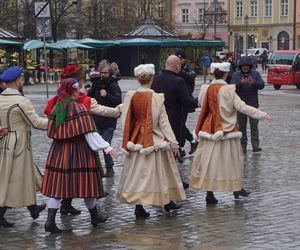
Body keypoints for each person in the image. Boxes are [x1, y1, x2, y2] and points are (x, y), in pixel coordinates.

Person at [41, 78, 118, 233]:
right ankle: (95, 217)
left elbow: (52, 131)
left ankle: (50, 221)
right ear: (73, 91)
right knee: (87, 185)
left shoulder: (58, 109)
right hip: (79, 152)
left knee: (58, 188)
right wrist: (107, 147)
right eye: (77, 90)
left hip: (59, 153)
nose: (79, 92)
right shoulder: (79, 108)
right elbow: (90, 134)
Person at [190, 62, 272, 204]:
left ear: (212, 73)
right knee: (234, 161)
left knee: (210, 161)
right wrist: (261, 114)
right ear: (226, 74)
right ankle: (236, 188)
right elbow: (242, 107)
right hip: (228, 131)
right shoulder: (228, 90)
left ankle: (210, 193)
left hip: (209, 130)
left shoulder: (205, 89)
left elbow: (200, 105)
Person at [117, 64, 186, 218]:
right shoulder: (157, 98)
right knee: (162, 171)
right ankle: (167, 202)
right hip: (154, 139)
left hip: (137, 139)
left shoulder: (131, 95)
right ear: (152, 78)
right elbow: (164, 122)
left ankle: (139, 206)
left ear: (137, 78)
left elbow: (126, 119)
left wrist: (130, 136)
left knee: (137, 173)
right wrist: (173, 142)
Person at [0, 66, 48, 228]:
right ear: (17, 81)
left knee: (28, 174)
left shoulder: (1, 98)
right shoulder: (21, 101)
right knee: (13, 179)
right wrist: (56, 122)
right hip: (19, 144)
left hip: (5, 142)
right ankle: (0, 214)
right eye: (21, 79)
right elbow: (36, 123)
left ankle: (33, 208)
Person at [152, 55, 198, 189]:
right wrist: (199, 101)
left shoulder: (155, 79)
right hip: (174, 121)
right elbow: (186, 101)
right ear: (177, 66)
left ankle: (172, 180)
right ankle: (173, 182)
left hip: (157, 121)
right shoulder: (178, 81)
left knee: (161, 152)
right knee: (172, 153)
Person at [88, 60, 122, 177]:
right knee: (94, 144)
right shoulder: (96, 84)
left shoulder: (113, 85)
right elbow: (89, 98)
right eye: (101, 72)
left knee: (105, 145)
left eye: (105, 73)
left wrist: (107, 95)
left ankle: (109, 168)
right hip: (96, 120)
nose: (103, 75)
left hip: (109, 121)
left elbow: (118, 102)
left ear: (109, 73)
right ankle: (96, 168)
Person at [230, 56, 265, 153]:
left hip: (253, 104)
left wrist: (253, 82)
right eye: (243, 66)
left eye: (247, 65)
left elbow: (261, 85)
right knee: (241, 126)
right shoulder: (236, 75)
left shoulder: (255, 74)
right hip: (240, 105)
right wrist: (241, 83)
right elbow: (231, 87)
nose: (245, 67)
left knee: (254, 125)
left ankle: (255, 145)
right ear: (240, 66)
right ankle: (243, 145)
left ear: (250, 66)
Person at [175, 50, 199, 159]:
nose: (179, 61)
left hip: (185, 99)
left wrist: (180, 71)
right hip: (175, 98)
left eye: (181, 59)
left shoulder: (189, 67)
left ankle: (182, 147)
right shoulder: (174, 68)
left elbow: (191, 77)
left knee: (180, 123)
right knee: (178, 123)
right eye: (177, 59)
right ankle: (191, 141)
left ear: (184, 59)